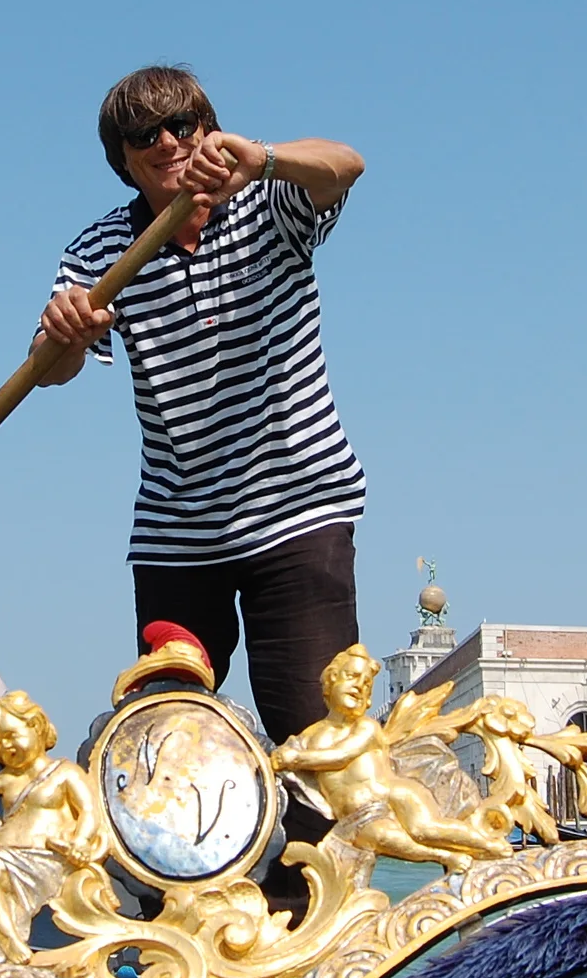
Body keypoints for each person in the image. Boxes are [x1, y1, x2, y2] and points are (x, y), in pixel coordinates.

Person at [35, 65, 367, 750]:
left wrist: (263, 158)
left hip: (298, 511)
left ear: (208, 132)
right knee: (167, 741)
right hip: (177, 532)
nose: (166, 142)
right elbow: (52, 369)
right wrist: (63, 332)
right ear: (123, 160)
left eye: (181, 125)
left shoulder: (268, 201)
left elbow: (346, 165)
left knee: (318, 743)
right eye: (143, 135)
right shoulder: (100, 252)